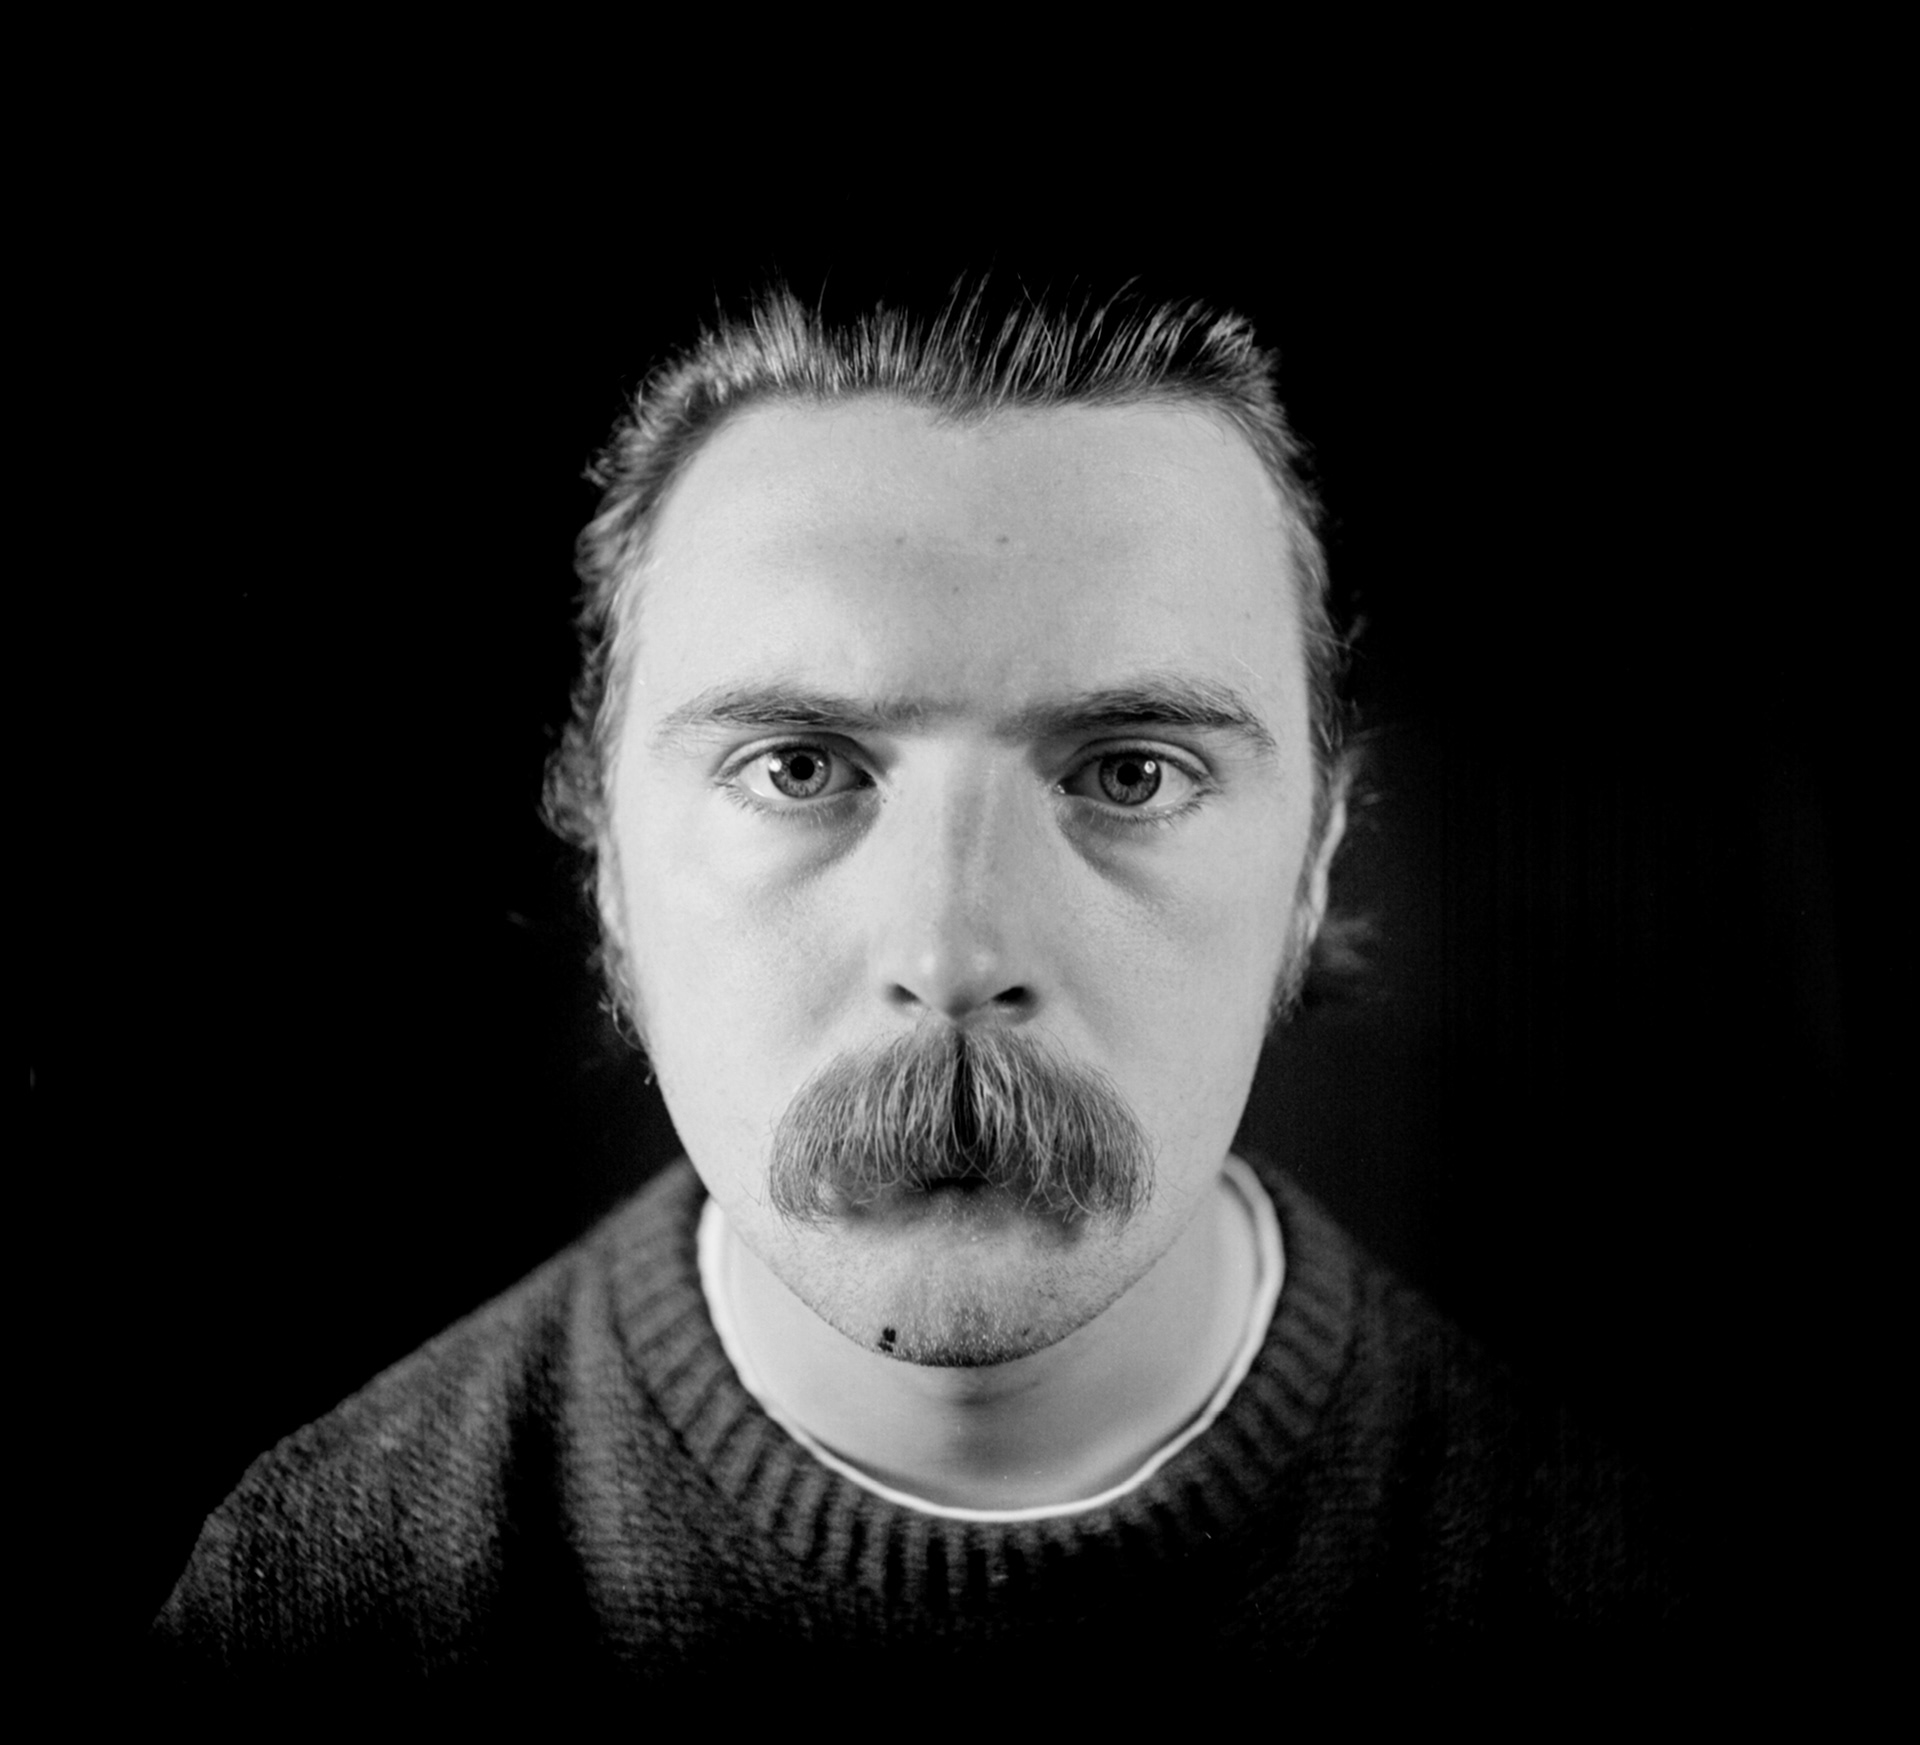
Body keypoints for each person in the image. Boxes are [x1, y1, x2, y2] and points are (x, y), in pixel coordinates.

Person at [151, 274, 1682, 1691]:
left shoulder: (1621, 1598)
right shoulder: (319, 1602)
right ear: (605, 858)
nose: (953, 959)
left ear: (1316, 865)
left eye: (1131, 771)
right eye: (797, 766)